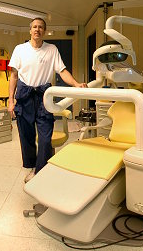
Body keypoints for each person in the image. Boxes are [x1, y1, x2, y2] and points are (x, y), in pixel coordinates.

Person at [8, 17, 86, 182]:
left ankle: (39, 170)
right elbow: (13, 76)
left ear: (44, 31)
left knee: (45, 136)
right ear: (30, 30)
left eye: (40, 27)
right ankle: (31, 165)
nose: (37, 29)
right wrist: (10, 101)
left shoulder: (51, 49)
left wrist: (76, 84)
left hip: (44, 95)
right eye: (34, 27)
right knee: (26, 135)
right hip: (24, 95)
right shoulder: (20, 49)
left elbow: (62, 71)